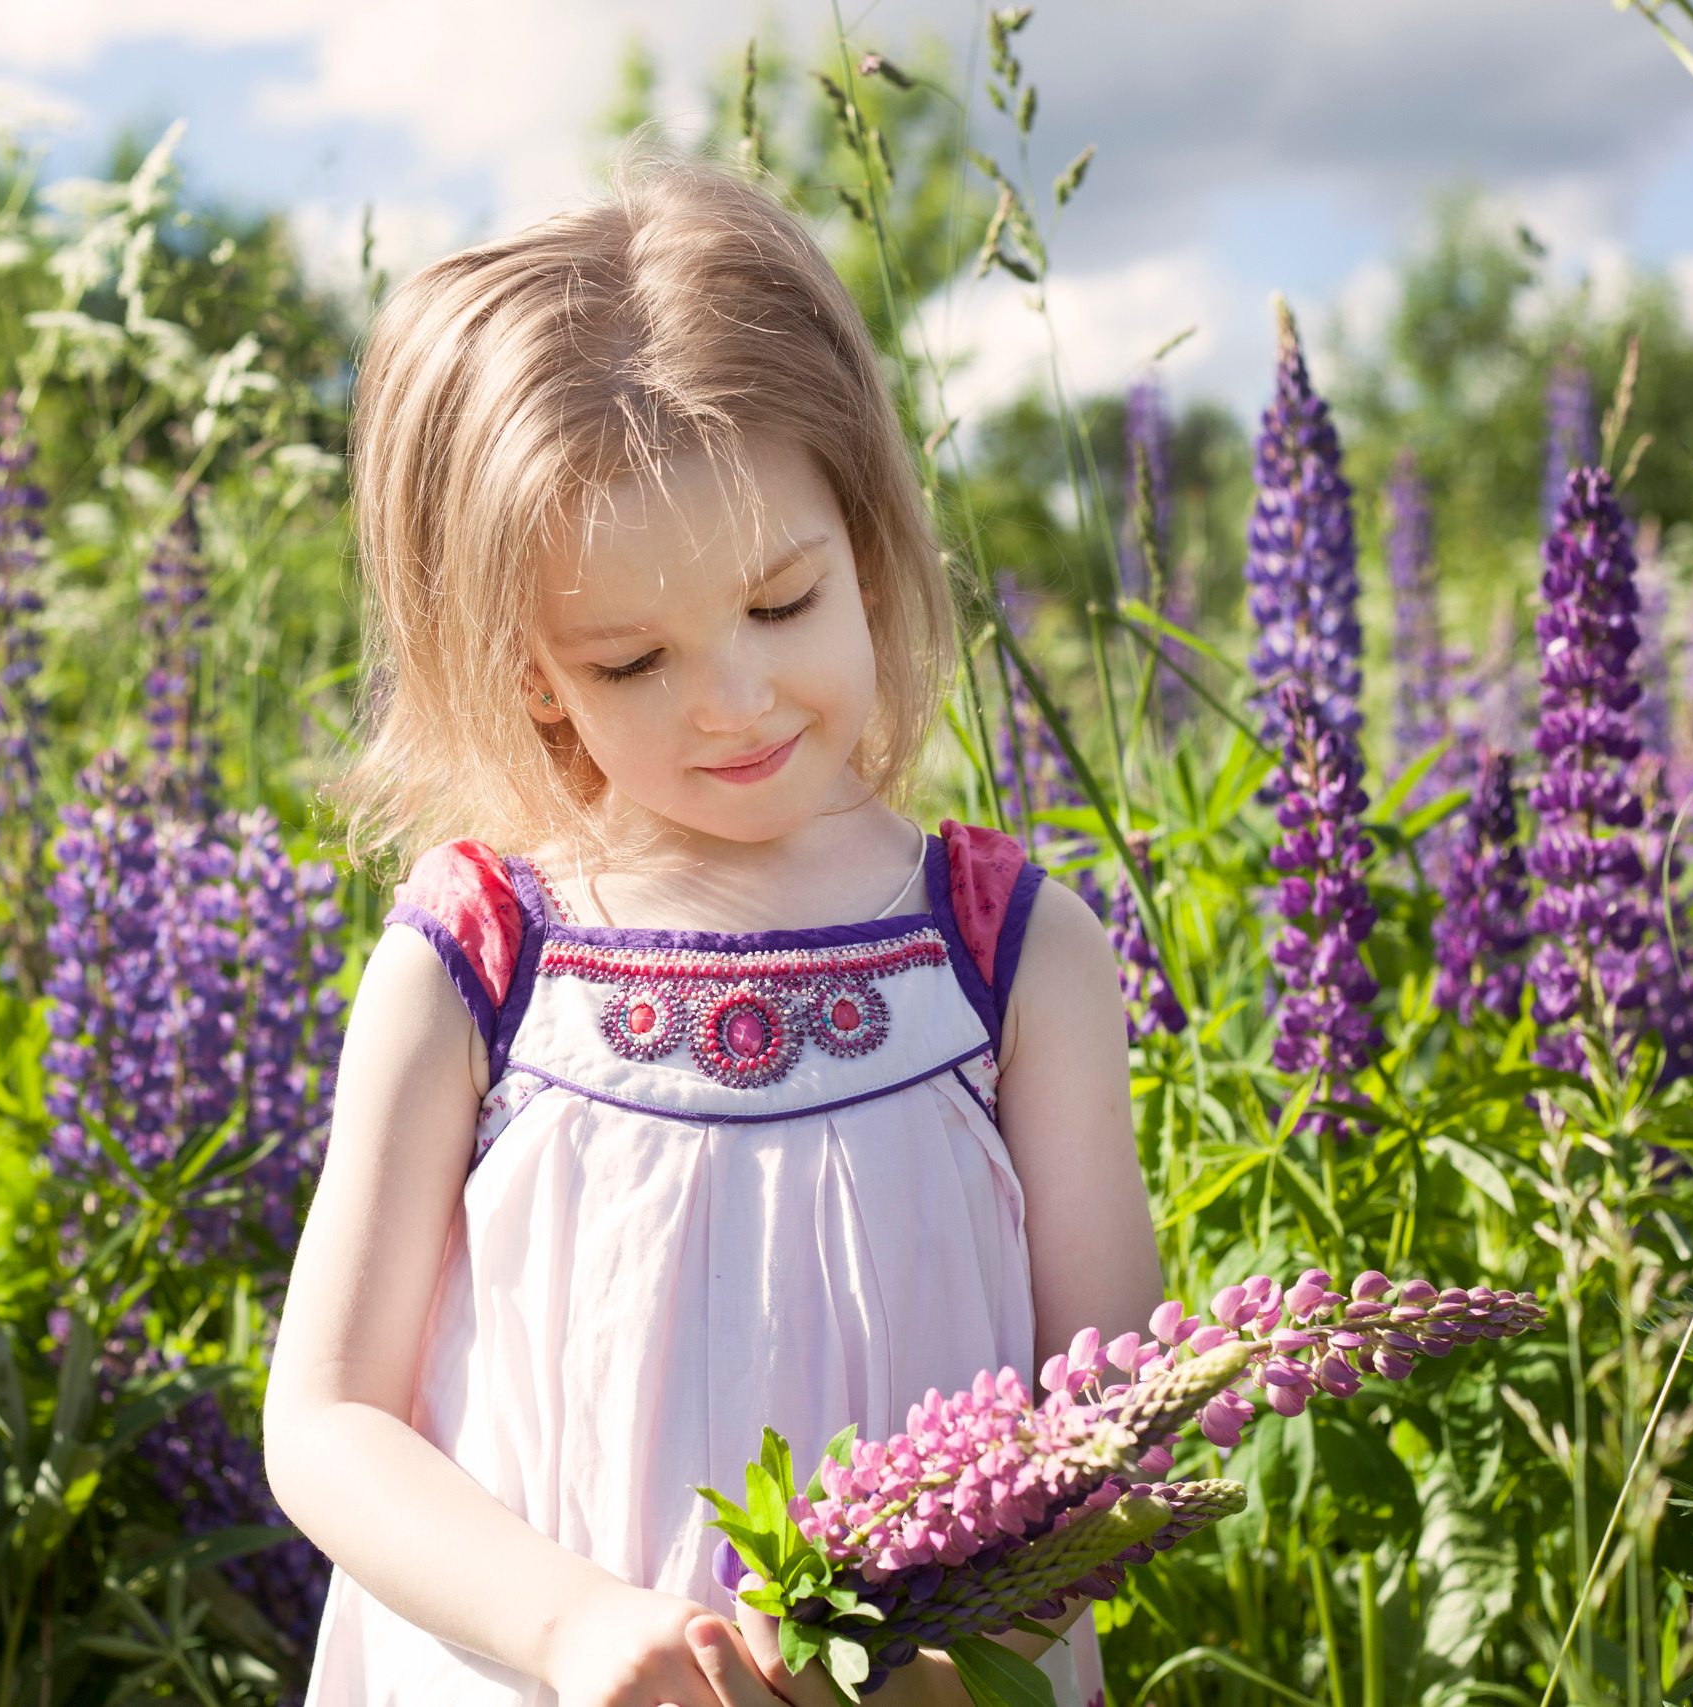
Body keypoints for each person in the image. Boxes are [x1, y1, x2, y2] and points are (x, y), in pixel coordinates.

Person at [264, 154, 1163, 1707]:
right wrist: (565, 1625)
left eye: (780, 605)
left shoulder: (1009, 953)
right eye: (633, 661)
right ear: (532, 670)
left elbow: (1124, 1418)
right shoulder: (480, 957)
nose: (732, 702)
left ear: (866, 547)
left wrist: (961, 1663)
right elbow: (328, 1420)